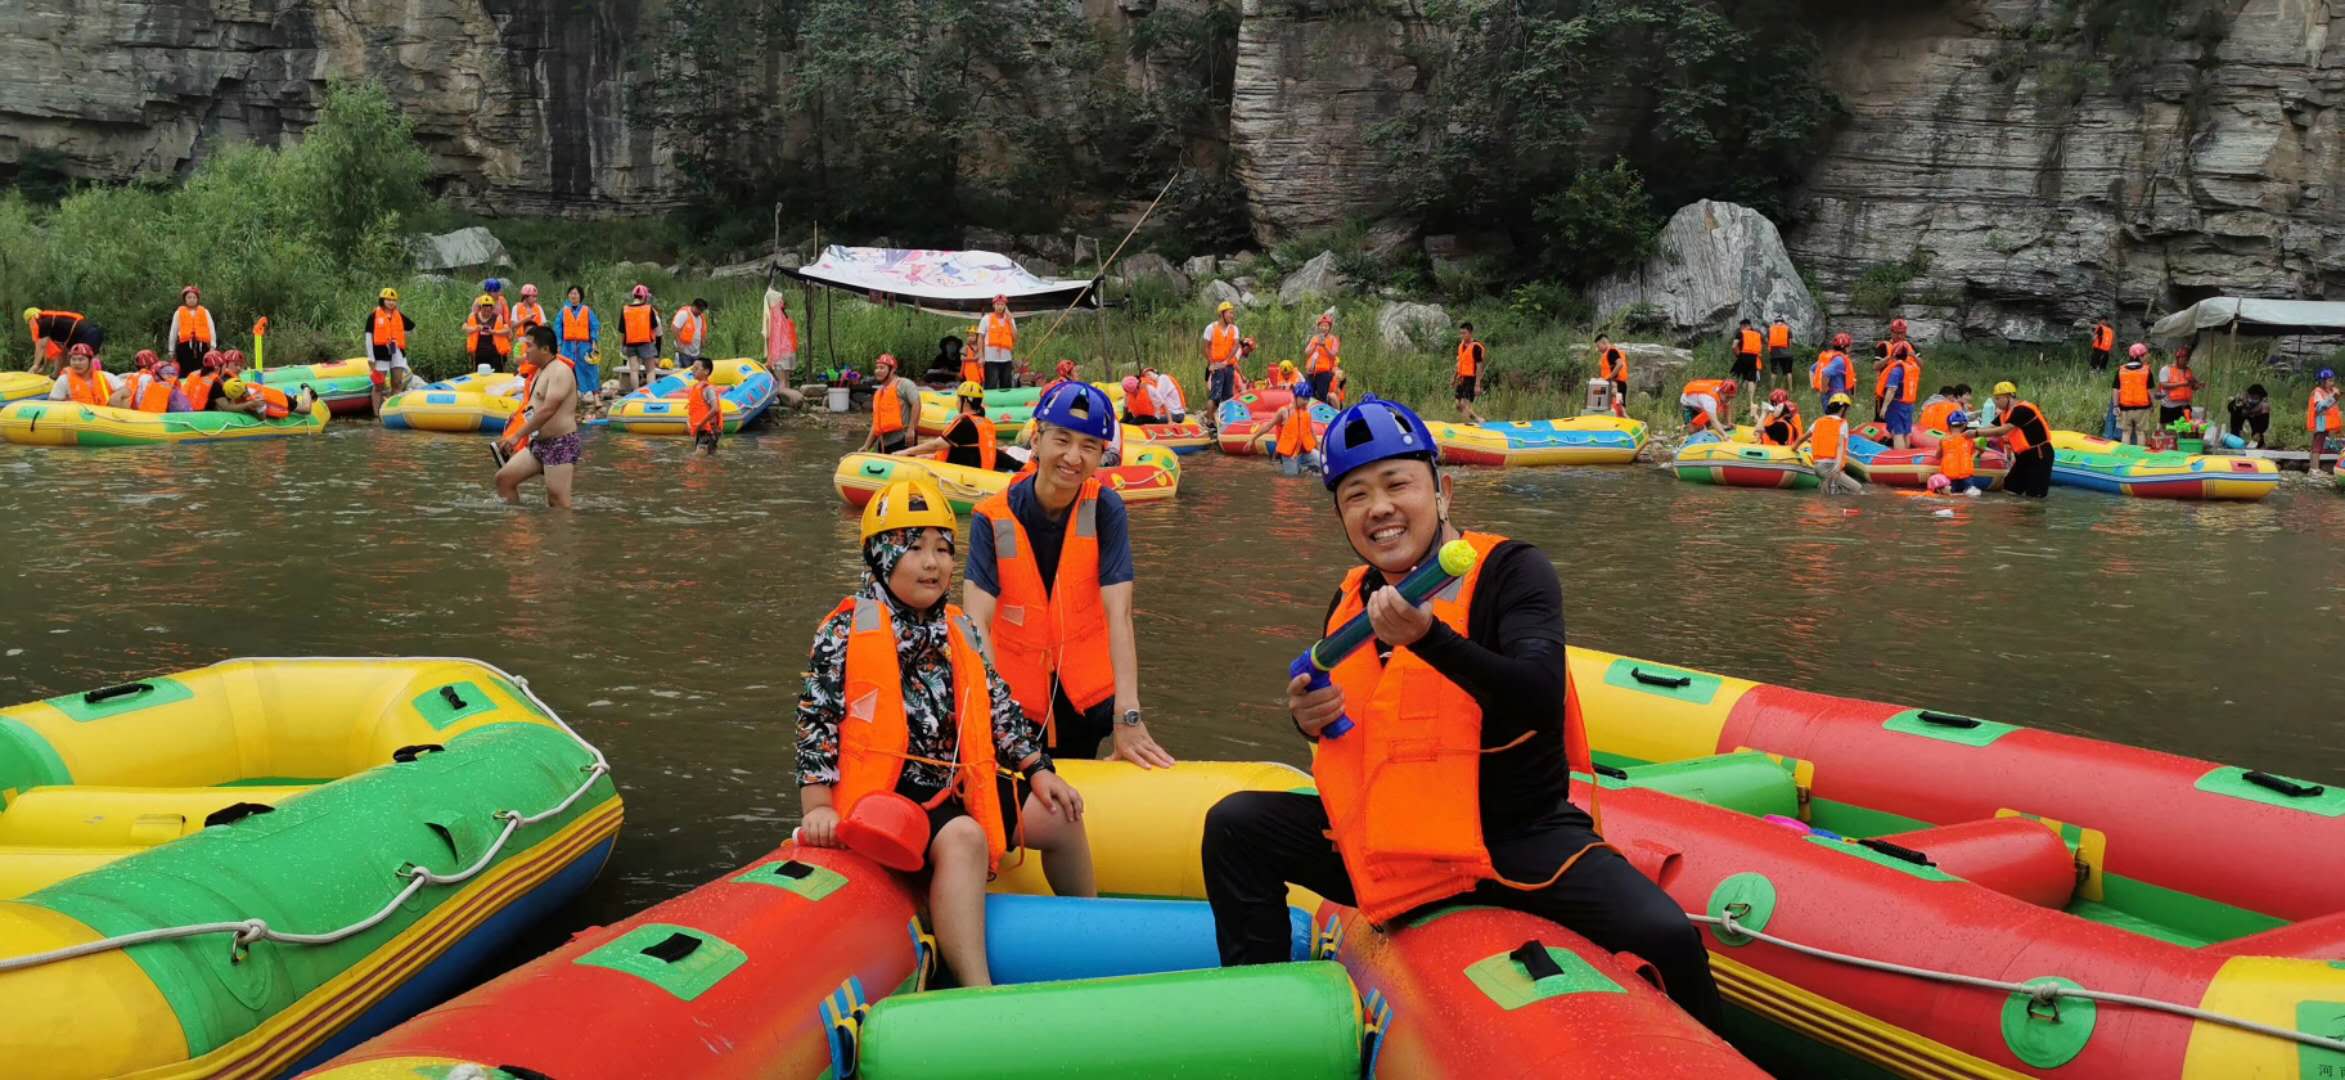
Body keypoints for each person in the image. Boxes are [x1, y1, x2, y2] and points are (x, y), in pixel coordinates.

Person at [1200, 398, 1722, 1029]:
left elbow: (1537, 694)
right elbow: (1352, 718)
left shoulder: (1513, 572)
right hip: (1397, 837)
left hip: (1516, 840)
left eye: (1397, 484)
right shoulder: (1351, 599)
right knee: (1236, 826)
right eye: (1356, 496)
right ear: (1342, 517)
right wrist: (1307, 716)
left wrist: (1430, 639)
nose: (1379, 508)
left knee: (1665, 933)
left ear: (1442, 491)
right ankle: (1262, 1021)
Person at [794, 474, 1095, 987]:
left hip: (958, 779)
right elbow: (815, 721)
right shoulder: (843, 631)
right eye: (914, 548)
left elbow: (998, 707)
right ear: (881, 556)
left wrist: (1038, 769)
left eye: (942, 549)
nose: (932, 563)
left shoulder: (961, 628)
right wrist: (818, 805)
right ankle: (976, 989)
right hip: (887, 794)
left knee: (1060, 817)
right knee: (963, 836)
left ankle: (1091, 938)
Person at [963, 381, 1174, 768]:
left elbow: (1119, 614)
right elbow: (976, 622)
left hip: (1083, 701)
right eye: (1062, 440)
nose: (1073, 457)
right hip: (1014, 701)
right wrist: (996, 716)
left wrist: (1128, 715)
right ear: (1037, 439)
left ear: (1100, 455)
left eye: (1089, 446)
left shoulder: (1106, 509)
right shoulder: (991, 518)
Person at [496, 325, 582, 508]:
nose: (525, 350)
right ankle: (517, 524)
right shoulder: (540, 370)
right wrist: (518, 435)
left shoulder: (560, 371)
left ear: (545, 349)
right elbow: (532, 409)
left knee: (557, 501)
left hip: (560, 443)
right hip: (538, 443)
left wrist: (517, 436)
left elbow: (548, 410)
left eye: (529, 346)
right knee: (504, 479)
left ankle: (565, 527)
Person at [898, 381, 1026, 473]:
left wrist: (906, 451)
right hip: (980, 472)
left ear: (964, 401)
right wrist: (1018, 465)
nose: (956, 402)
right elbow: (988, 452)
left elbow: (935, 445)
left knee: (918, 458)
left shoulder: (964, 423)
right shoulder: (986, 423)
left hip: (961, 476)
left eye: (958, 399)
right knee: (925, 457)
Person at [1973, 381, 2052, 498]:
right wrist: (1970, 435)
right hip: (2023, 456)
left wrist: (1975, 433)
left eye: (1998, 398)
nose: (1996, 402)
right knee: (2009, 488)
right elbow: (1990, 427)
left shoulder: (2022, 410)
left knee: (2035, 495)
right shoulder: (2004, 414)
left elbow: (2002, 430)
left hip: (2039, 454)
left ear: (2008, 397)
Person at [1794, 393, 1864, 495]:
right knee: (1858, 489)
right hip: (1830, 466)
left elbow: (1802, 438)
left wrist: (1793, 448)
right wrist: (1837, 465)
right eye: (1847, 409)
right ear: (1842, 409)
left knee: (1830, 493)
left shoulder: (1818, 421)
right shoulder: (1842, 423)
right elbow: (1840, 445)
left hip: (1817, 467)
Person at [364, 288, 417, 412]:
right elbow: (368, 337)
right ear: (382, 300)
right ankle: (376, 414)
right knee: (379, 385)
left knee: (397, 383)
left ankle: (391, 411)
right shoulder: (373, 316)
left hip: (397, 352)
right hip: (380, 353)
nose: (391, 302)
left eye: (394, 300)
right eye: (388, 299)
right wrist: (371, 357)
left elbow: (412, 327)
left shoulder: (399, 315)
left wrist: (402, 336)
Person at [1246, 394, 1322, 476]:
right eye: (1303, 399)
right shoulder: (1284, 412)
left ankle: (1307, 469)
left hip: (1304, 451)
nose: (1305, 402)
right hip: (1289, 453)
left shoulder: (1306, 412)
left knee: (1322, 462)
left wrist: (1318, 448)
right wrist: (1252, 439)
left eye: (1307, 399)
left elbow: (1311, 431)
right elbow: (1268, 426)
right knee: (1293, 478)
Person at [863, 353, 920, 454]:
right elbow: (876, 424)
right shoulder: (879, 392)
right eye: (877, 368)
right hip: (884, 444)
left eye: (882, 368)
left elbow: (916, 404)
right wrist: (866, 446)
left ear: (892, 370)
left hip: (903, 439)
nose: (878, 371)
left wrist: (911, 429)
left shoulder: (905, 384)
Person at [556, 286, 602, 410]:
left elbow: (594, 326)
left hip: (584, 346)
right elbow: (558, 328)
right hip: (568, 347)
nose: (573, 296)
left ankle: (596, 398)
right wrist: (559, 344)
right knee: (569, 372)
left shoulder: (587, 310)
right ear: (568, 295)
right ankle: (572, 399)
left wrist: (594, 341)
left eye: (575, 293)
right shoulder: (563, 311)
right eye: (571, 293)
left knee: (591, 370)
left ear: (580, 296)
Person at [24, 308, 103, 375]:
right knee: (74, 361)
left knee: (86, 362)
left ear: (31, 320)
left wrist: (35, 365)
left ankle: (98, 380)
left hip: (87, 334)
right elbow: (61, 354)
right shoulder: (55, 325)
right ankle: (58, 376)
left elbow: (41, 346)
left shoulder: (43, 322)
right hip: (91, 333)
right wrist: (51, 372)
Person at [1202, 301, 1243, 422]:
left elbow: (1235, 345)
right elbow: (1206, 347)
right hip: (1216, 366)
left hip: (1229, 366)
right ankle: (1209, 421)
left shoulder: (1234, 329)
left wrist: (1227, 361)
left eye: (1232, 313)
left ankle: (1225, 421)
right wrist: (1211, 363)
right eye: (1230, 313)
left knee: (1228, 396)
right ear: (1222, 314)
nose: (1232, 315)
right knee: (1215, 396)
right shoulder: (1211, 328)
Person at [1881, 328, 1921, 449]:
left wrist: (1884, 407)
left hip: (1897, 405)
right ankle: (1907, 455)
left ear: (1894, 354)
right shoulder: (1912, 368)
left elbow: (1891, 389)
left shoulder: (1896, 370)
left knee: (1897, 432)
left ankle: (1900, 456)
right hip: (1909, 405)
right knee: (1906, 432)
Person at [618, 284, 662, 396]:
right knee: (650, 370)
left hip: (630, 343)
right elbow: (655, 327)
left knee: (634, 370)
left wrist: (622, 346)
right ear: (645, 296)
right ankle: (650, 393)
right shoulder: (648, 309)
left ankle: (635, 393)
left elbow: (622, 331)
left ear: (634, 295)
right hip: (646, 343)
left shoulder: (625, 309)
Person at [972, 294, 1019, 391]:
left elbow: (1015, 337)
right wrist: (981, 355)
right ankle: (989, 400)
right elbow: (980, 337)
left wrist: (1010, 320)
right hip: (991, 359)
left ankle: (1005, 400)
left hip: (1006, 359)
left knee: (1006, 385)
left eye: (1002, 304)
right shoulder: (986, 318)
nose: (1000, 307)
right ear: (994, 305)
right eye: (998, 304)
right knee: (991, 384)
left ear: (1005, 306)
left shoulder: (1010, 319)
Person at [2113, 343, 2156, 446]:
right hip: (2142, 407)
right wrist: (2154, 405)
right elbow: (2150, 390)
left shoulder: (2121, 370)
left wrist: (2115, 405)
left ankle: (2125, 453)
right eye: (2145, 354)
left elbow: (2116, 389)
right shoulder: (2146, 370)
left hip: (2125, 407)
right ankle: (2139, 454)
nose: (2147, 356)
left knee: (2126, 432)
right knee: (2140, 432)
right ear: (2140, 356)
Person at [166, 286, 216, 371]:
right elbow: (173, 332)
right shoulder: (178, 313)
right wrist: (171, 350)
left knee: (203, 370)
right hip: (184, 347)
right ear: (185, 299)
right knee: (185, 370)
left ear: (197, 299)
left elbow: (211, 329)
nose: (191, 299)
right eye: (189, 297)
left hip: (202, 347)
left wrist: (212, 346)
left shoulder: (205, 312)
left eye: (194, 297)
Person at [46, 343, 114, 405]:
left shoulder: (107, 376)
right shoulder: (63, 380)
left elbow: (120, 393)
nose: (77, 363)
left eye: (81, 359)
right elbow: (52, 404)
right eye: (73, 359)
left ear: (90, 361)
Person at [1935, 412, 1984, 496]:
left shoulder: (1943, 440)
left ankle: (1949, 491)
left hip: (1950, 476)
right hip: (1966, 477)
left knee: (1950, 492)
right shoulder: (1969, 439)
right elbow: (1982, 449)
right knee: (1970, 491)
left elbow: (1937, 456)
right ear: (1964, 425)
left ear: (1948, 425)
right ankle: (1970, 490)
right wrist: (1975, 455)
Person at [684, 355, 723, 456]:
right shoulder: (697, 387)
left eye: (696, 368)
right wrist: (690, 423)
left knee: (698, 459)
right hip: (702, 429)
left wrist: (700, 424)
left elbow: (715, 409)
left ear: (706, 371)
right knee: (708, 457)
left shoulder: (708, 389)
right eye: (692, 368)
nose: (693, 371)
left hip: (709, 430)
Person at [464, 294, 513, 373]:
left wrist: (493, 331)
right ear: (480, 308)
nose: (487, 313)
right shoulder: (473, 316)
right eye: (484, 310)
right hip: (478, 353)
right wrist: (475, 329)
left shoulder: (498, 317)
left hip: (494, 353)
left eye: (489, 311)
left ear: (492, 309)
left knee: (496, 374)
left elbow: (507, 330)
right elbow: (465, 328)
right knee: (479, 374)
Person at [2158, 346, 2201, 430]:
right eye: (2184, 359)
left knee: (2184, 429)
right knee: (2169, 430)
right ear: (2178, 358)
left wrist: (2197, 386)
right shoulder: (2166, 369)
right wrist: (2181, 384)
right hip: (2169, 406)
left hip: (2185, 406)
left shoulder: (2188, 370)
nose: (2186, 361)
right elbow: (2164, 385)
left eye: (2187, 359)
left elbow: (2192, 386)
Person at [1455, 322, 1488, 424]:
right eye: (1461, 333)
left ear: (1470, 333)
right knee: (1458, 405)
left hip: (1471, 379)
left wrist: (1477, 384)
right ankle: (1479, 419)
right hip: (1462, 378)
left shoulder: (1476, 347)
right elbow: (1459, 362)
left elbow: (1479, 366)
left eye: (1464, 333)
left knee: (1466, 405)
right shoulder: (1461, 345)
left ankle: (1467, 425)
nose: (1462, 335)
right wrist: (1454, 376)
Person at [1303, 313, 1341, 402]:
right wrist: (1315, 344)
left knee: (1322, 395)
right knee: (1308, 394)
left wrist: (1325, 346)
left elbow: (1333, 354)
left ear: (1329, 327)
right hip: (1311, 371)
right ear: (1319, 327)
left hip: (1324, 372)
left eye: (1326, 326)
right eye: (1322, 326)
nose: (1323, 328)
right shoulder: (1314, 338)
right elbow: (1307, 352)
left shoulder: (1333, 339)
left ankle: (1325, 408)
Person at [2310, 370, 2341, 474]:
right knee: (2317, 445)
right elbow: (2320, 406)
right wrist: (2333, 397)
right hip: (2320, 422)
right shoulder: (2318, 391)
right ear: (2323, 381)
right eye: (2330, 381)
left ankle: (2315, 468)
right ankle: (2314, 469)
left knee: (2322, 445)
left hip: (2328, 422)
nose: (2332, 383)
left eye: (2333, 380)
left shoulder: (2330, 391)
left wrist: (2336, 396)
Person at [765, 290, 799, 380]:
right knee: (786, 382)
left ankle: (798, 394)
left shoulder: (774, 315)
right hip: (789, 352)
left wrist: (770, 359)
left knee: (781, 384)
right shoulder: (784, 314)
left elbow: (772, 338)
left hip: (780, 354)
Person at [2226, 382, 2272, 449]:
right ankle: (2234, 440)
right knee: (2235, 428)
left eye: (2256, 398)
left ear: (2261, 398)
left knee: (2257, 434)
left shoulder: (2264, 406)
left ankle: (2259, 444)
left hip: (2255, 417)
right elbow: (2230, 409)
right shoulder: (2241, 399)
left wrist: (2259, 432)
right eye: (2251, 396)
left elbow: (2264, 423)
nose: (2252, 400)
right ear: (2247, 394)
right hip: (2241, 414)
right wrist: (2236, 405)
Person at [672, 297, 711, 373]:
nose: (701, 312)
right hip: (684, 352)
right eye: (700, 310)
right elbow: (674, 328)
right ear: (694, 306)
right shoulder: (684, 314)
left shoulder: (701, 317)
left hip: (696, 352)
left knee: (695, 374)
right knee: (685, 373)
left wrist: (702, 345)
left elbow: (701, 331)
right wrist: (679, 344)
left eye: (702, 310)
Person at [1811, 333, 1855, 399]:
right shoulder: (1839, 360)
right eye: (1850, 345)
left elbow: (1812, 369)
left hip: (1830, 396)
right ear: (1845, 347)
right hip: (1836, 396)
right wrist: (1824, 390)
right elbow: (1826, 372)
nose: (1851, 347)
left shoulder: (1829, 356)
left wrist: (1814, 387)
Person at [1594, 335, 1629, 416]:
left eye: (1598, 346)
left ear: (1604, 343)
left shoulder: (1611, 352)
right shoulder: (1609, 353)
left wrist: (1609, 378)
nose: (1598, 349)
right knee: (1618, 408)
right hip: (1616, 384)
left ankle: (1632, 423)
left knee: (1620, 409)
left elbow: (1619, 364)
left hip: (1616, 386)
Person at [1730, 319, 1763, 388]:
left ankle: (1734, 390)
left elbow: (1734, 346)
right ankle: (1749, 394)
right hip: (1755, 359)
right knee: (1751, 379)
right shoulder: (1757, 335)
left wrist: (1737, 354)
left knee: (1735, 375)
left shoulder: (1741, 333)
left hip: (1743, 357)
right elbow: (1760, 348)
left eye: (1741, 326)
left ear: (1743, 326)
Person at [1766, 315, 1794, 390]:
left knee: (1774, 372)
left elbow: (1769, 341)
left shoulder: (1770, 329)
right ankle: (1790, 389)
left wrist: (1770, 351)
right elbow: (1790, 343)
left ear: (1775, 322)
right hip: (1786, 353)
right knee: (1788, 372)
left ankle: (1772, 389)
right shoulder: (1788, 329)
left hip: (1774, 353)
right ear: (1783, 322)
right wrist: (1788, 350)